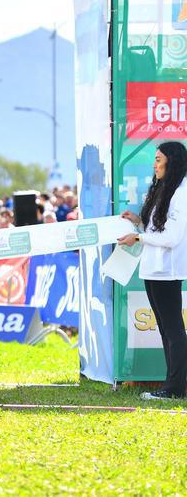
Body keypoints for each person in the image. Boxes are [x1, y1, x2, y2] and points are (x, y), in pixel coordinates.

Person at [118, 141, 187, 401]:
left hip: (167, 271)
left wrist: (138, 239)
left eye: (158, 159)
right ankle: (173, 384)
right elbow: (157, 228)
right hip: (153, 270)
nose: (154, 164)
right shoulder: (165, 189)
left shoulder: (181, 193)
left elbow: (171, 238)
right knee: (165, 329)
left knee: (173, 330)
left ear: (172, 161)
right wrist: (139, 222)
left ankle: (175, 388)